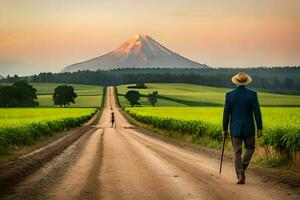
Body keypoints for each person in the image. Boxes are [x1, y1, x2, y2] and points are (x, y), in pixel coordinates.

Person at [222, 72, 262, 184]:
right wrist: (260, 127)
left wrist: (224, 129)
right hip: (249, 127)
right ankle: (242, 170)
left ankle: (240, 173)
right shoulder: (252, 94)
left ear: (236, 81)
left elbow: (226, 114)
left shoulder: (229, 95)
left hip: (235, 128)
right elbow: (257, 112)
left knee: (237, 151)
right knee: (250, 148)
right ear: (246, 82)